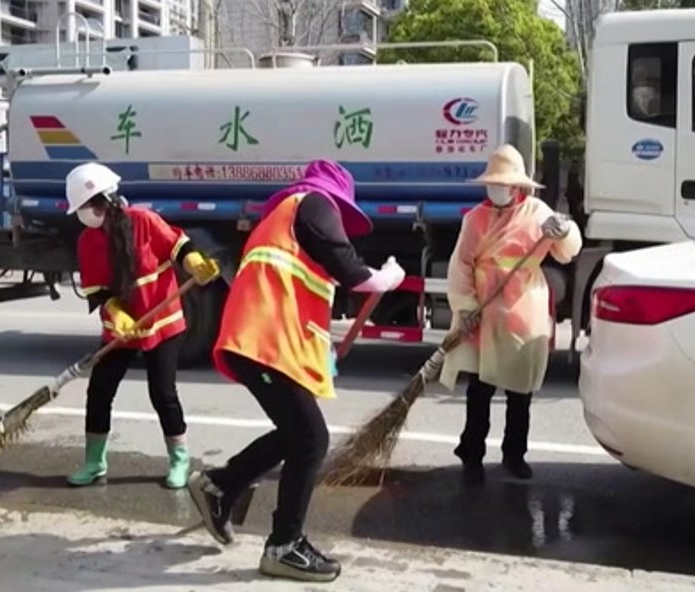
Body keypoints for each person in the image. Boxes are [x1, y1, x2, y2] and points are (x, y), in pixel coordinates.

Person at [187, 160, 404, 583]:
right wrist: (387, 277)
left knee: (296, 433)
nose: (341, 222)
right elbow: (352, 271)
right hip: (262, 339)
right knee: (311, 438)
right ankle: (284, 544)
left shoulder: (285, 219)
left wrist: (320, 351)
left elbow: (298, 290)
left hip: (265, 339)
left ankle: (221, 487)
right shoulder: (315, 204)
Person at [64, 162, 220, 490]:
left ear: (106, 201)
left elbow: (179, 245)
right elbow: (98, 293)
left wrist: (194, 263)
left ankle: (179, 461)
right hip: (122, 330)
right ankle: (94, 462)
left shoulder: (144, 222)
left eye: (88, 207)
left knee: (162, 392)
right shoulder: (87, 242)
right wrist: (117, 314)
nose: (84, 214)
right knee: (100, 390)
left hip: (162, 324)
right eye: (80, 209)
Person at [439, 145, 583, 485]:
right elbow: (460, 265)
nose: (498, 189)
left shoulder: (537, 213)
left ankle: (514, 454)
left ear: (518, 185)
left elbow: (566, 252)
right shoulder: (475, 219)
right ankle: (471, 453)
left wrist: (563, 231)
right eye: (493, 183)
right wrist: (466, 306)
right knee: (480, 387)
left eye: (504, 183)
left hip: (522, 306)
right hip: (483, 307)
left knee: (520, 389)